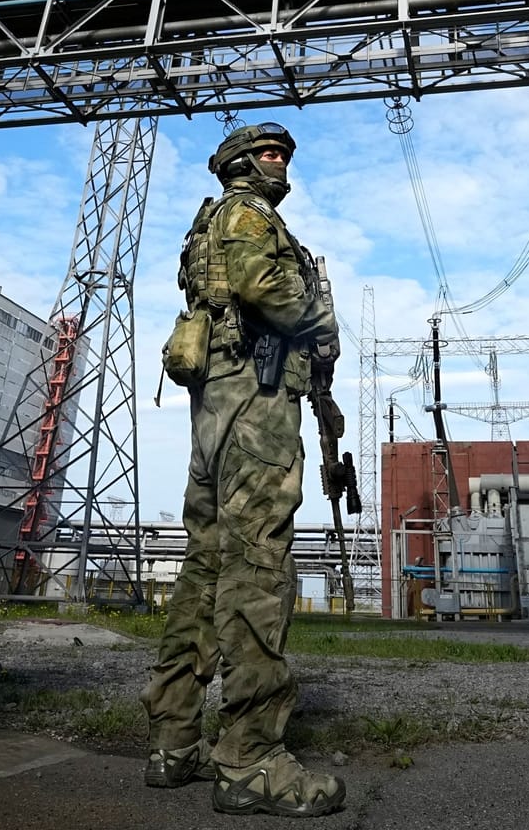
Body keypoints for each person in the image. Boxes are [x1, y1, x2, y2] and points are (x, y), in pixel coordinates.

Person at [140, 122, 348, 817]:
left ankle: (175, 743)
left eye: (285, 152)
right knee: (258, 563)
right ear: (238, 163)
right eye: (267, 152)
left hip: (216, 407)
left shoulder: (213, 221)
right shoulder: (250, 212)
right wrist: (320, 319)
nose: (279, 160)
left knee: (206, 566)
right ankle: (252, 756)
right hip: (255, 402)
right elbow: (269, 290)